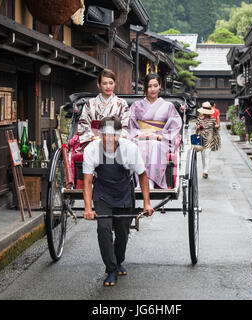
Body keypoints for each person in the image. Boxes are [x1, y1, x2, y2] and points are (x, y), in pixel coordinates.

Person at [83, 117, 154, 287]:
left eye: (113, 136)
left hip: (124, 192)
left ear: (119, 135)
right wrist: (87, 208)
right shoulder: (92, 149)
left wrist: (147, 203)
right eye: (105, 135)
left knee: (123, 232)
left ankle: (118, 260)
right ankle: (111, 269)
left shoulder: (130, 149)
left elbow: (142, 176)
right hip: (102, 193)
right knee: (104, 229)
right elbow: (87, 181)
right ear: (100, 135)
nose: (109, 139)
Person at [129, 73, 183, 189]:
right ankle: (140, 181)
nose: (152, 89)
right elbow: (131, 125)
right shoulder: (136, 105)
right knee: (137, 146)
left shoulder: (168, 106)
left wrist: (161, 136)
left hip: (161, 139)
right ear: (145, 88)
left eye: (155, 85)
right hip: (141, 137)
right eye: (149, 86)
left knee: (154, 145)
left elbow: (175, 126)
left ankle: (151, 181)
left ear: (160, 86)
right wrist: (139, 134)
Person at [76, 69, 130, 152]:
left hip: (116, 142)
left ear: (115, 84)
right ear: (99, 84)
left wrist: (113, 139)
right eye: (104, 83)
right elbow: (84, 124)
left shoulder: (122, 104)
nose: (108, 86)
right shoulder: (90, 103)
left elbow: (125, 126)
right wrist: (93, 138)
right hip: (94, 141)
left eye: (111, 83)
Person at [196, 101, 221, 179]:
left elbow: (216, 126)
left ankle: (206, 171)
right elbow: (196, 127)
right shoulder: (199, 119)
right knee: (203, 155)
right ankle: (204, 169)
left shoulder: (212, 119)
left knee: (207, 154)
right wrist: (198, 127)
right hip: (201, 137)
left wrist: (217, 126)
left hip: (210, 137)